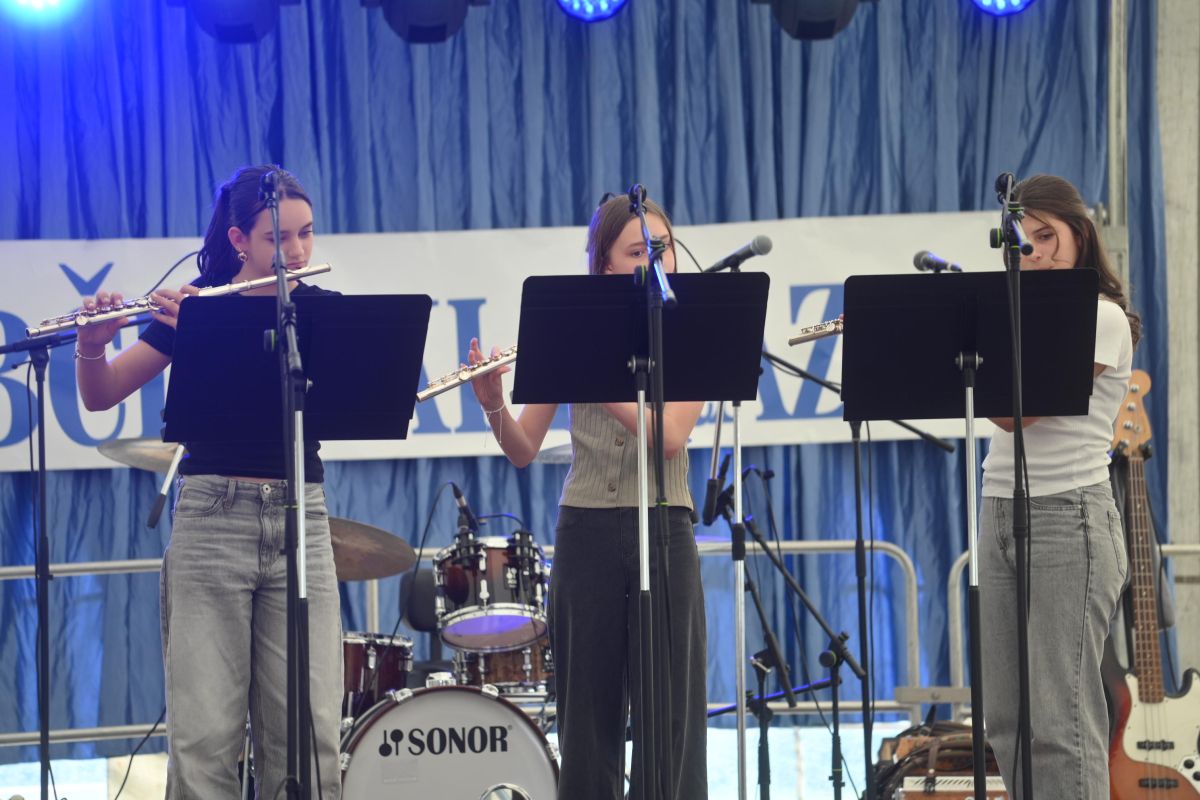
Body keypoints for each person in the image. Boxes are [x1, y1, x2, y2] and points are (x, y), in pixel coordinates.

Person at [75, 165, 343, 799]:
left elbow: (360, 402)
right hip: (212, 519)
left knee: (310, 742)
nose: (297, 251)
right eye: (279, 238)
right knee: (204, 744)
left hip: (302, 519)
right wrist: (92, 344)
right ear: (239, 240)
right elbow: (102, 393)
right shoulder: (196, 307)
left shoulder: (321, 312)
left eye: (306, 234)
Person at [467, 193, 709, 800]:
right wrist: (493, 404)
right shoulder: (569, 325)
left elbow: (670, 438)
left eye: (662, 249)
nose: (656, 261)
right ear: (603, 265)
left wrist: (594, 373)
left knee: (671, 721)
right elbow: (523, 447)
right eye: (637, 252)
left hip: (665, 527)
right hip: (586, 531)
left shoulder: (692, 326)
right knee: (586, 721)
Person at [979, 173, 1139, 799]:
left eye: (1046, 236)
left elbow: (1015, 412)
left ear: (1080, 234)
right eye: (1022, 242)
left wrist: (949, 343)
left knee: (1060, 721)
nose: (1036, 253)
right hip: (998, 511)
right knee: (1008, 722)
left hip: (1068, 519)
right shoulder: (1013, 315)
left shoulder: (1101, 316)